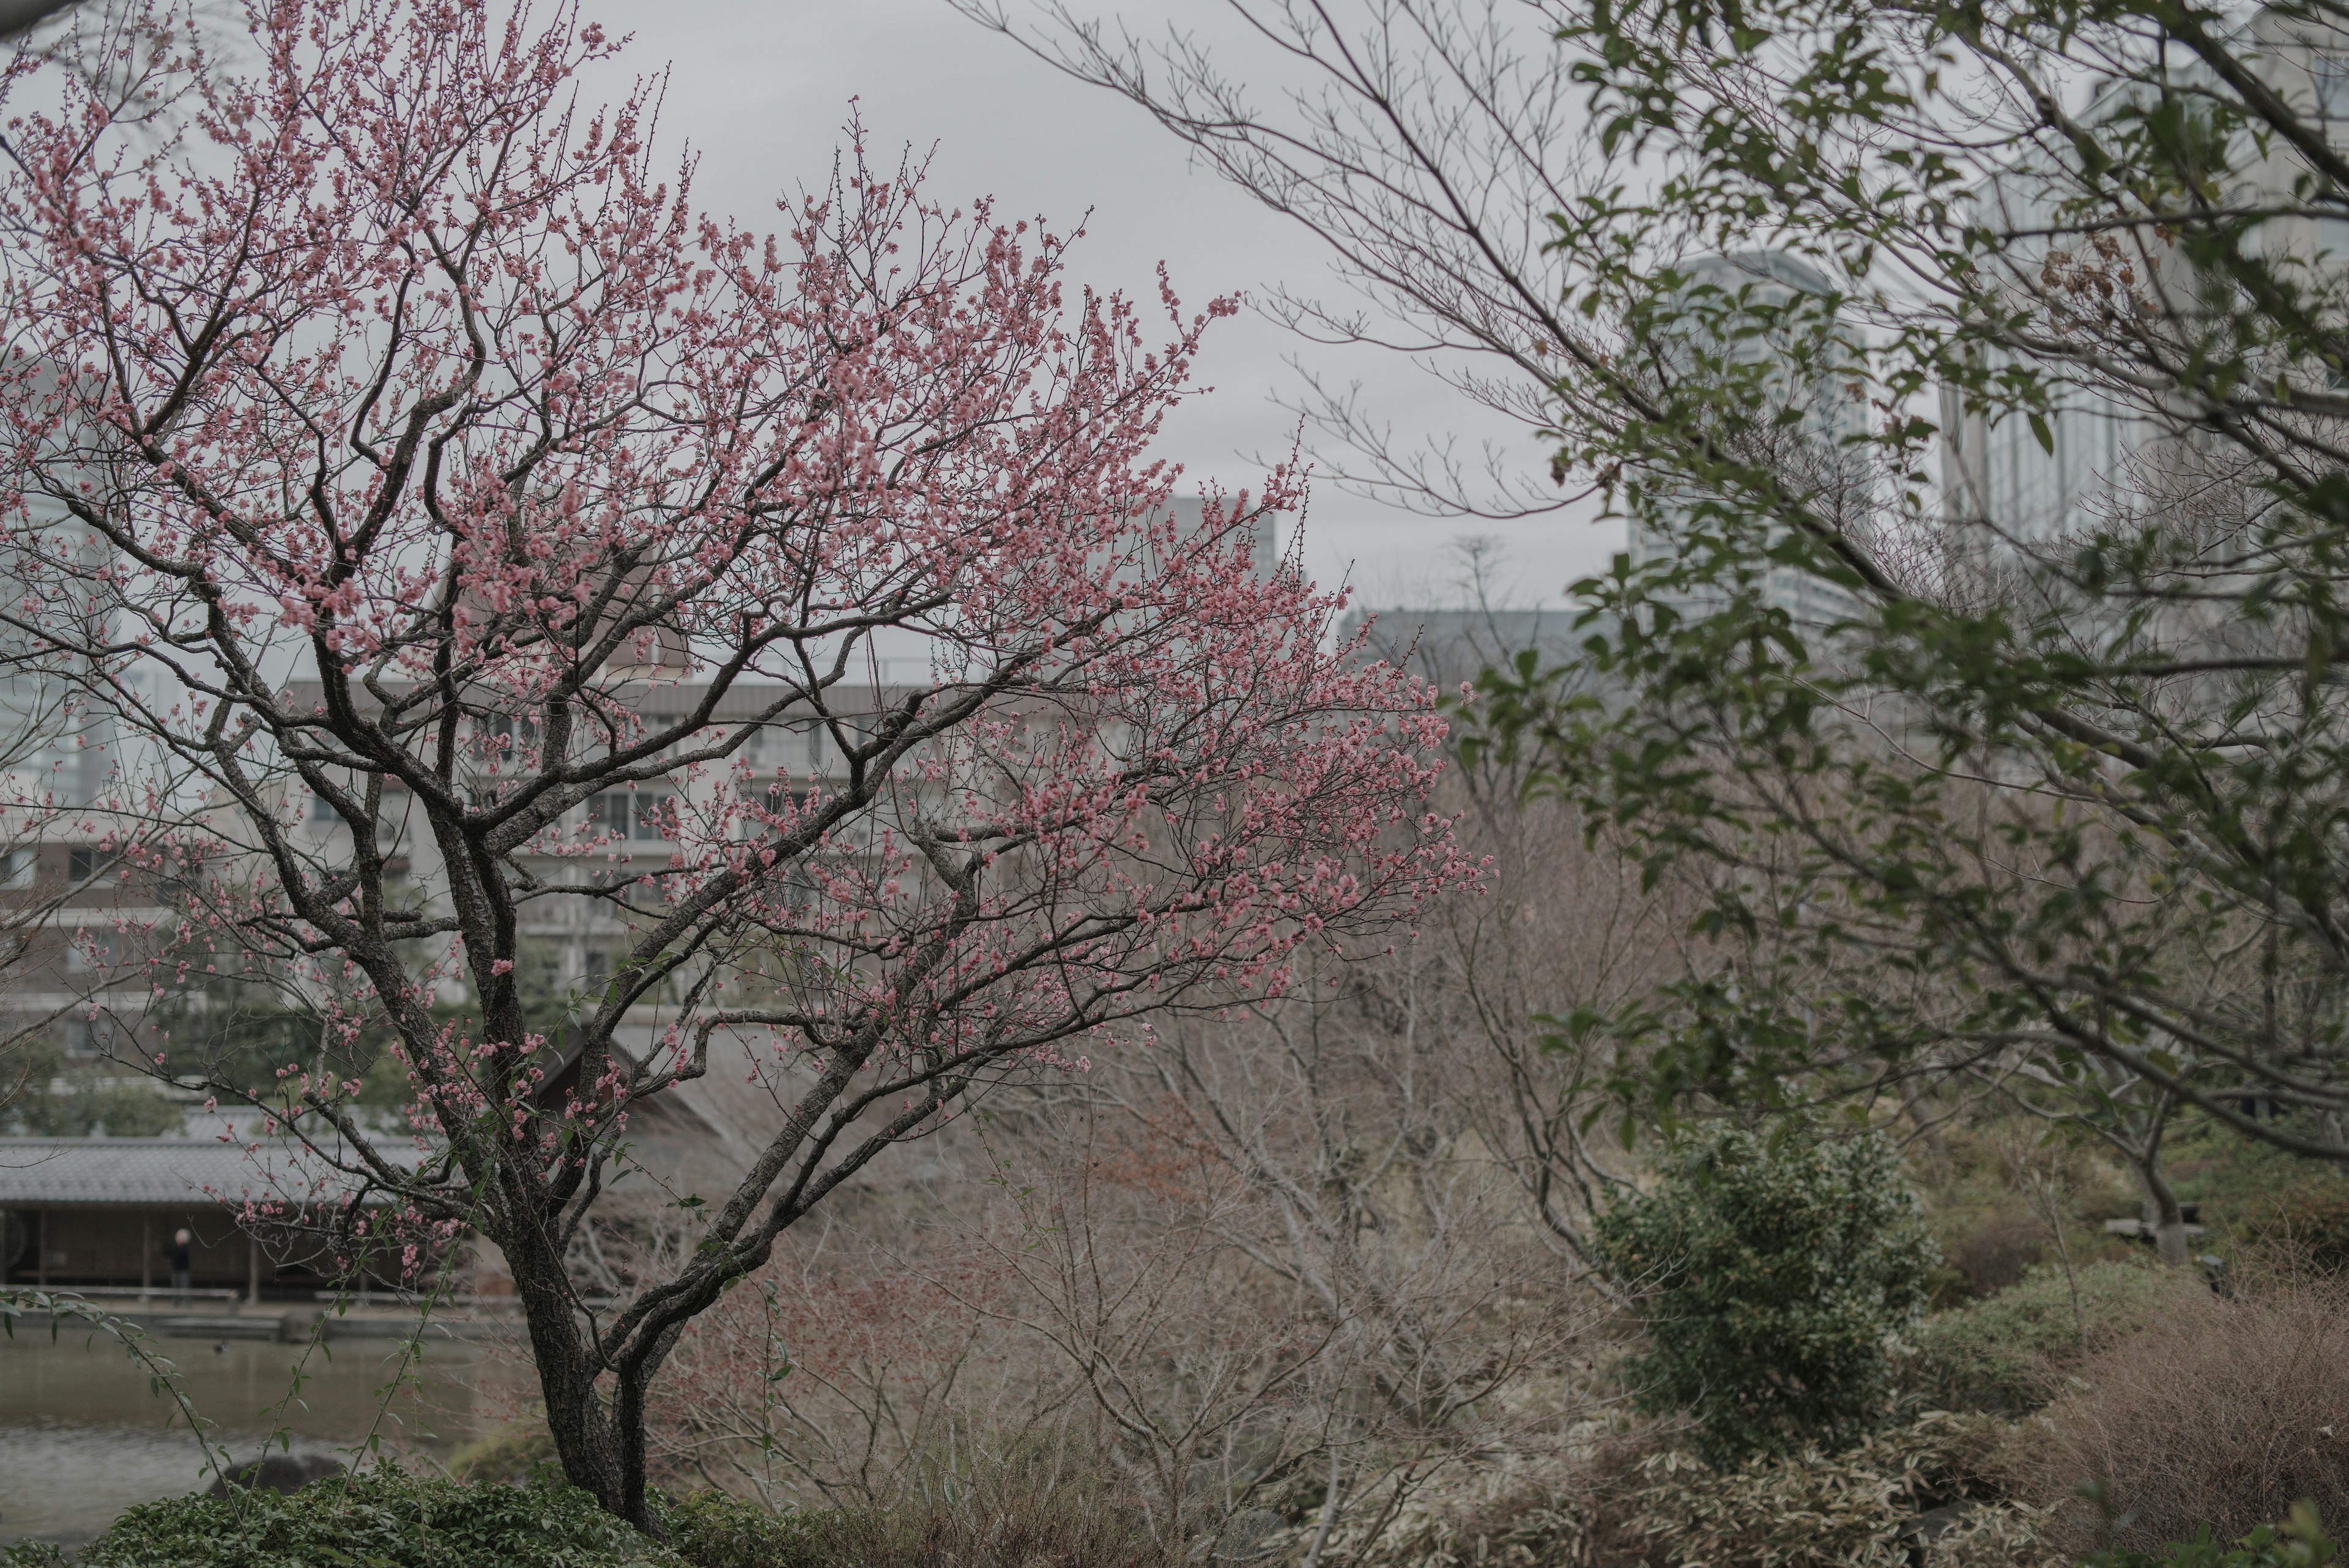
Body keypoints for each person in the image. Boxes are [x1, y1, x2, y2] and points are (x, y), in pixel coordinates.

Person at [164, 1227, 191, 1306]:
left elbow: (181, 1255)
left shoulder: (185, 1247)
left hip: (184, 1270)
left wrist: (178, 1247)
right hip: (175, 1270)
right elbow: (167, 1253)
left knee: (185, 1287)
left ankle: (186, 1302)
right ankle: (175, 1302)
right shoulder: (173, 1246)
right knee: (174, 1286)